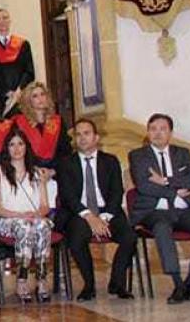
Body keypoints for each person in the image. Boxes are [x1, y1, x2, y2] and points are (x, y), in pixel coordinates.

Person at [128, 113, 190, 304]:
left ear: (170, 132)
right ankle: (178, 284)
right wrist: (175, 192)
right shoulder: (138, 155)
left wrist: (166, 181)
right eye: (153, 129)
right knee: (162, 228)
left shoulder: (182, 153)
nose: (158, 133)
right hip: (153, 212)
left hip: (184, 211)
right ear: (148, 132)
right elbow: (144, 186)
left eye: (162, 129)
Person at [55, 118, 136, 301]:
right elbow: (68, 196)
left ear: (96, 137)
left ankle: (116, 283)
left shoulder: (110, 161)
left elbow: (117, 192)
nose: (82, 138)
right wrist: (90, 217)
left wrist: (104, 217)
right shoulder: (66, 163)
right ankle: (89, 285)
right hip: (79, 212)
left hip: (108, 211)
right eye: (78, 134)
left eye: (87, 133)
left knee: (130, 237)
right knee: (76, 238)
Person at [0, 132, 54, 303]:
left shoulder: (37, 172)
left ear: (27, 147)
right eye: (12, 144)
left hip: (33, 219)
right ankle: (22, 279)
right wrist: (21, 215)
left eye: (20, 144)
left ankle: (41, 279)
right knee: (25, 226)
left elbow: (45, 205)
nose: (17, 149)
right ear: (6, 149)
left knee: (43, 225)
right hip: (6, 220)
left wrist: (36, 215)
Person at [0, 9, 35, 109]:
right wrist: (6, 92)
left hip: (21, 96)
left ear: (10, 20)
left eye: (5, 18)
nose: (2, 21)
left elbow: (29, 71)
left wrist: (19, 90)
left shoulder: (23, 44)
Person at [11, 82, 71, 170]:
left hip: (55, 172)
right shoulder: (20, 122)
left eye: (42, 94)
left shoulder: (57, 121)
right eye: (35, 96)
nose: (40, 99)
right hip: (29, 171)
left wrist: (52, 171)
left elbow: (65, 151)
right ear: (28, 100)